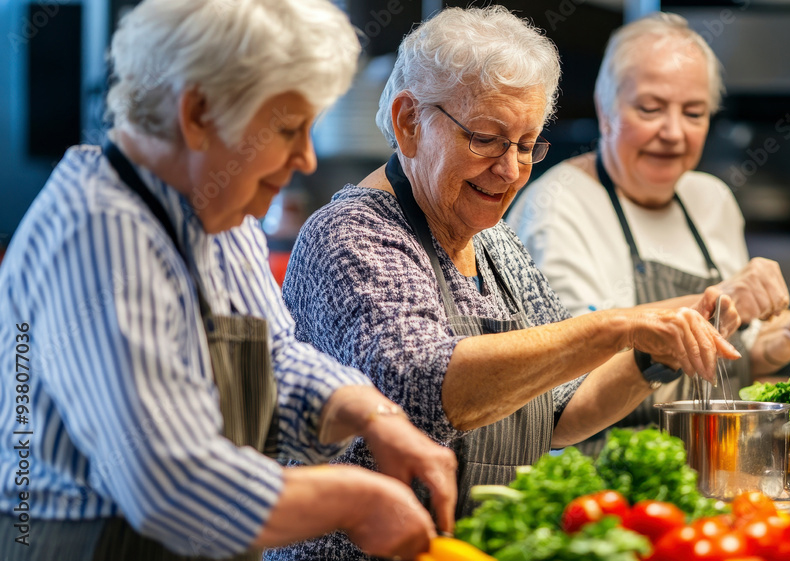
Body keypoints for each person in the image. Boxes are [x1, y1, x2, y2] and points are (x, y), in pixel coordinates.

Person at [276, 6, 742, 560]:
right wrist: (614, 327)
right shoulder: (353, 234)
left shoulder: (496, 243)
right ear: (409, 122)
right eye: (487, 139)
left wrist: (651, 356)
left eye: (527, 144)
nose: (511, 169)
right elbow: (423, 387)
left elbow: (563, 410)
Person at [0, 1, 458, 560]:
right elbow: (170, 486)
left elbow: (271, 357)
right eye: (287, 129)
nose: (307, 159)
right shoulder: (97, 230)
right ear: (197, 114)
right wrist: (354, 502)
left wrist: (372, 413)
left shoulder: (218, 212)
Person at [507, 12, 790, 440]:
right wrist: (716, 303)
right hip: (605, 462)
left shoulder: (712, 200)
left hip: (714, 455)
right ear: (605, 109)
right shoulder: (557, 205)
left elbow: (731, 357)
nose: (673, 132)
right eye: (650, 109)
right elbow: (569, 374)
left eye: (693, 113)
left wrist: (785, 339)